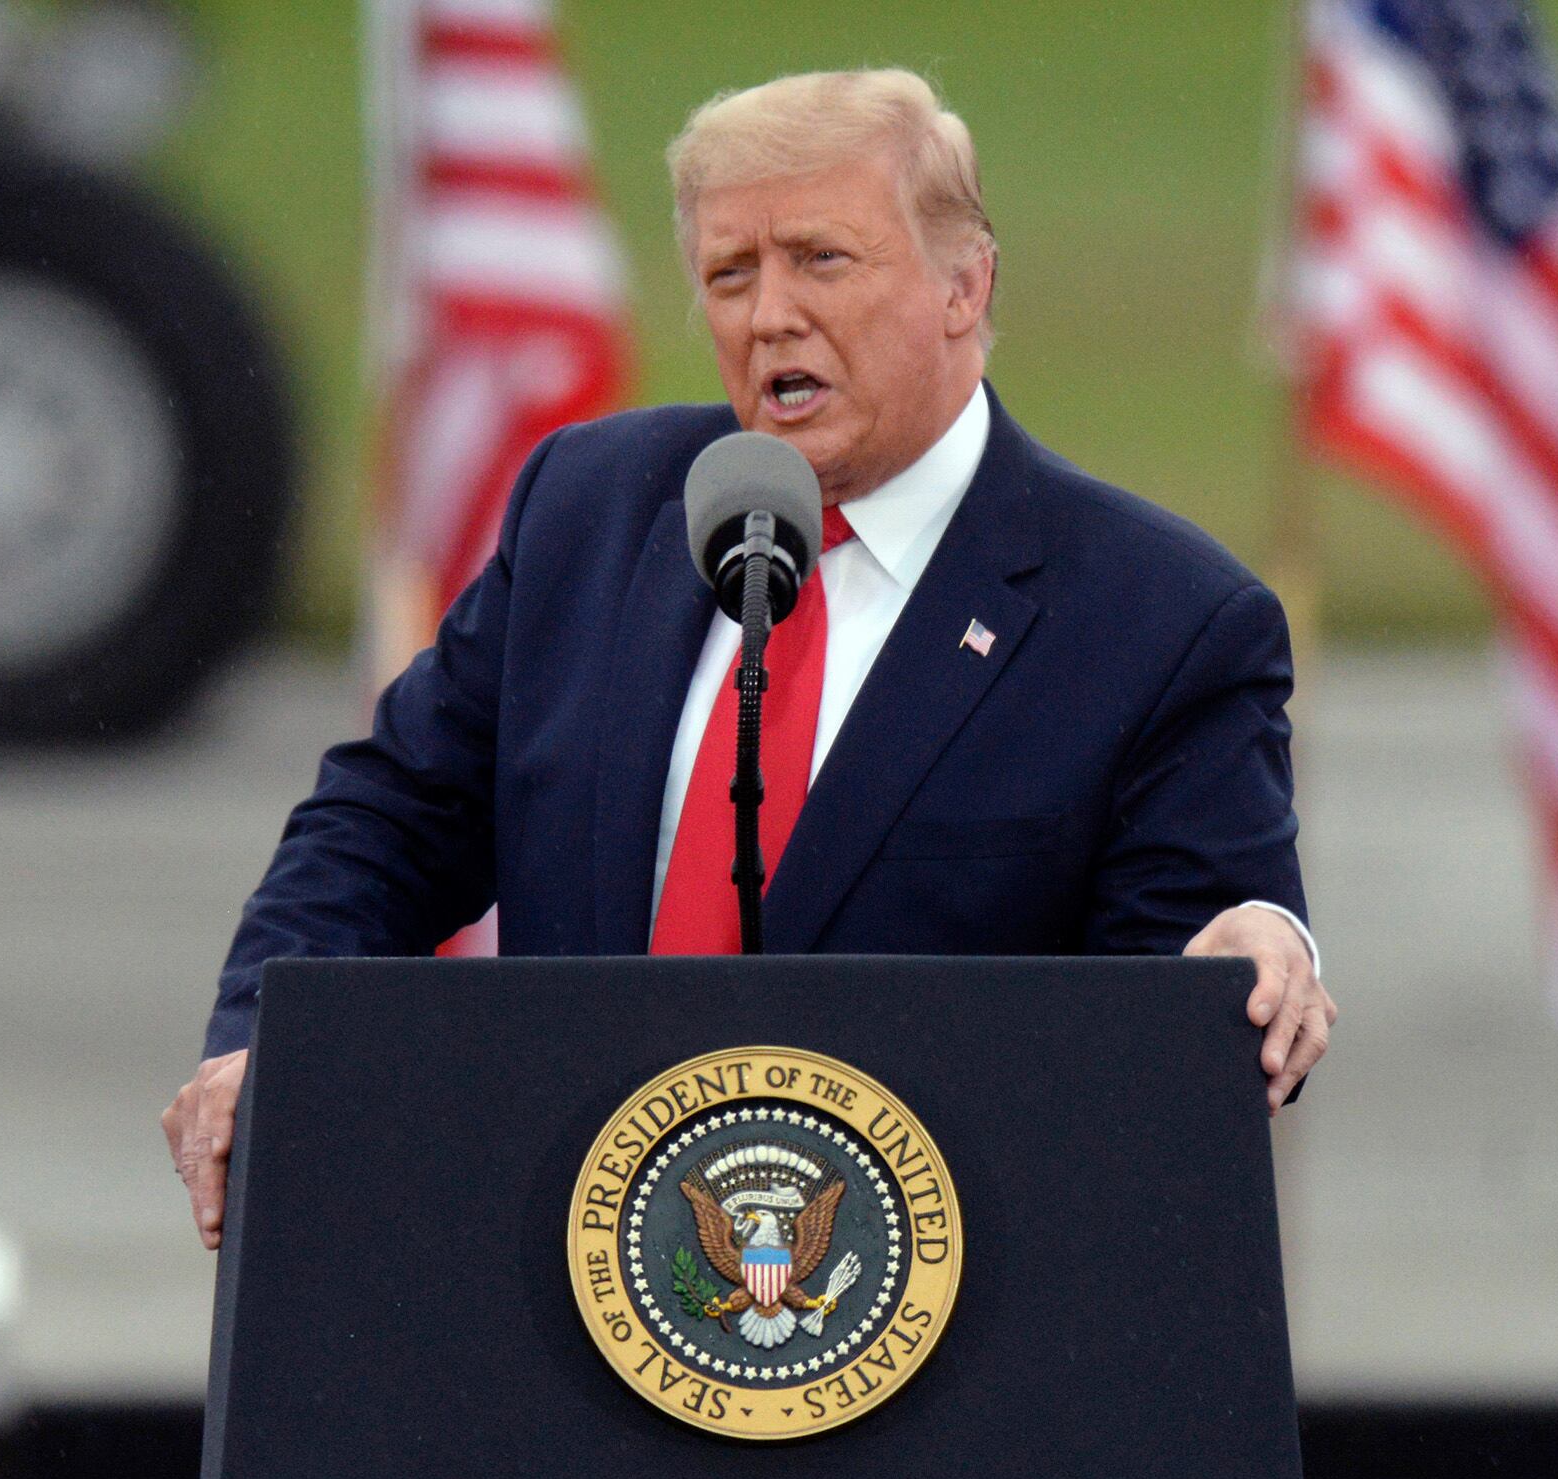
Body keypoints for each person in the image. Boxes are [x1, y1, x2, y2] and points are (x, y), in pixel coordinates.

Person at [164, 69, 1336, 1249]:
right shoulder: (589, 510)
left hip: (940, 1325)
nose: (768, 314)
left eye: (821, 260)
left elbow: (1184, 1008)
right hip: (563, 1285)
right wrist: (269, 1040)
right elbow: (387, 818)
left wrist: (1245, 949)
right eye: (731, 274)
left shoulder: (1158, 621)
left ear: (961, 285)